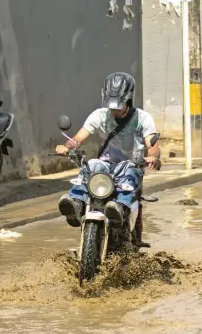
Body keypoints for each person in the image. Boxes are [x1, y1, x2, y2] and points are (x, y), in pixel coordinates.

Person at [54, 72, 161, 245]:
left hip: (131, 165)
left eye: (118, 106)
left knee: (130, 176)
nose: (115, 110)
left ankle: (119, 209)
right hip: (105, 165)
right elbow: (79, 137)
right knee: (89, 166)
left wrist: (152, 157)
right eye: (112, 106)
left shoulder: (143, 118)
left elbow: (153, 145)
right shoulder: (99, 115)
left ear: (128, 100)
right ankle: (76, 204)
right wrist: (67, 146)